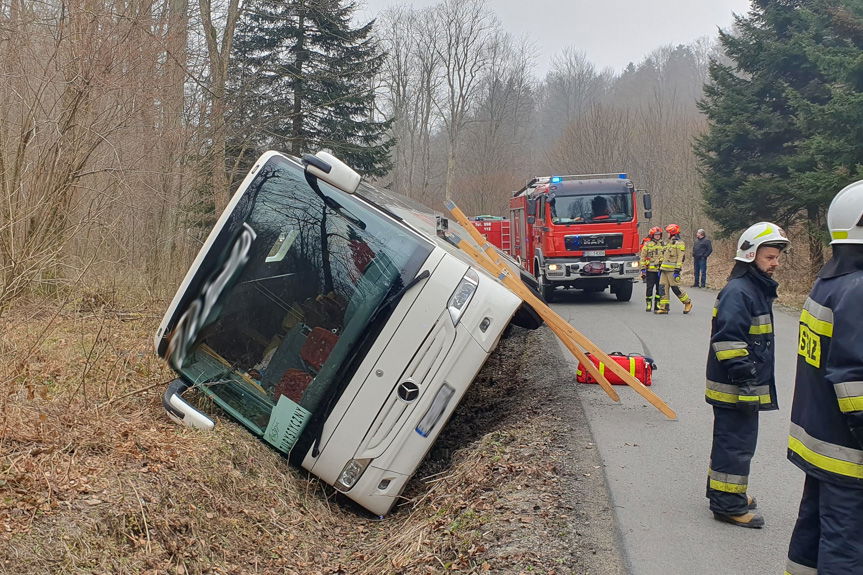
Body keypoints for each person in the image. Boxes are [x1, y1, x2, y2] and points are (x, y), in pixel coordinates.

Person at [785, 181, 863, 573]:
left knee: (814, 529)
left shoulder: (829, 281)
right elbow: (854, 377)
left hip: (821, 438)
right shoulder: (859, 289)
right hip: (850, 450)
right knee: (848, 547)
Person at [705, 221, 789, 528]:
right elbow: (727, 340)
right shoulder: (740, 292)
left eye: (777, 257)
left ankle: (721, 491)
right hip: (737, 386)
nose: (775, 263)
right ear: (751, 255)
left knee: (729, 441)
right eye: (769, 257)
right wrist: (746, 376)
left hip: (741, 384)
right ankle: (728, 505)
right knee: (736, 445)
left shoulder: (752, 289)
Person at [655, 224, 692, 314]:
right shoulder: (669, 243)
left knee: (676, 288)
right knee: (662, 288)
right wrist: (660, 267)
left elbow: (680, 257)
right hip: (664, 270)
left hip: (672, 271)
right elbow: (665, 257)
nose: (667, 234)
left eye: (668, 232)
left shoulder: (679, 243)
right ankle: (664, 308)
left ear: (672, 233)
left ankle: (687, 302)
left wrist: (677, 269)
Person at [639, 226, 665, 313]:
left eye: (659, 235)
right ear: (652, 235)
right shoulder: (647, 244)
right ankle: (648, 303)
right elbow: (642, 257)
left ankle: (657, 304)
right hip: (650, 271)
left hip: (660, 271)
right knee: (649, 288)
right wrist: (643, 270)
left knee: (659, 288)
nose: (657, 236)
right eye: (655, 235)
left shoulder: (664, 244)